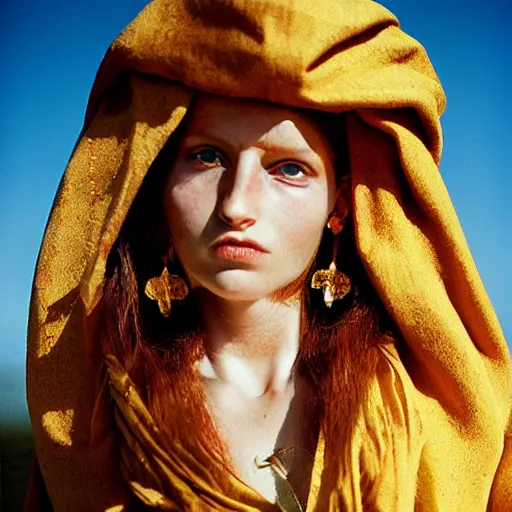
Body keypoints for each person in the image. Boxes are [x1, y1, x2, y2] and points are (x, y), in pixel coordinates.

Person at [26, 0, 511, 510]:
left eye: (288, 169)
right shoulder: (100, 418)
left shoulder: (419, 410)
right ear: (157, 186)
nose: (236, 204)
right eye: (207, 157)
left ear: (339, 206)